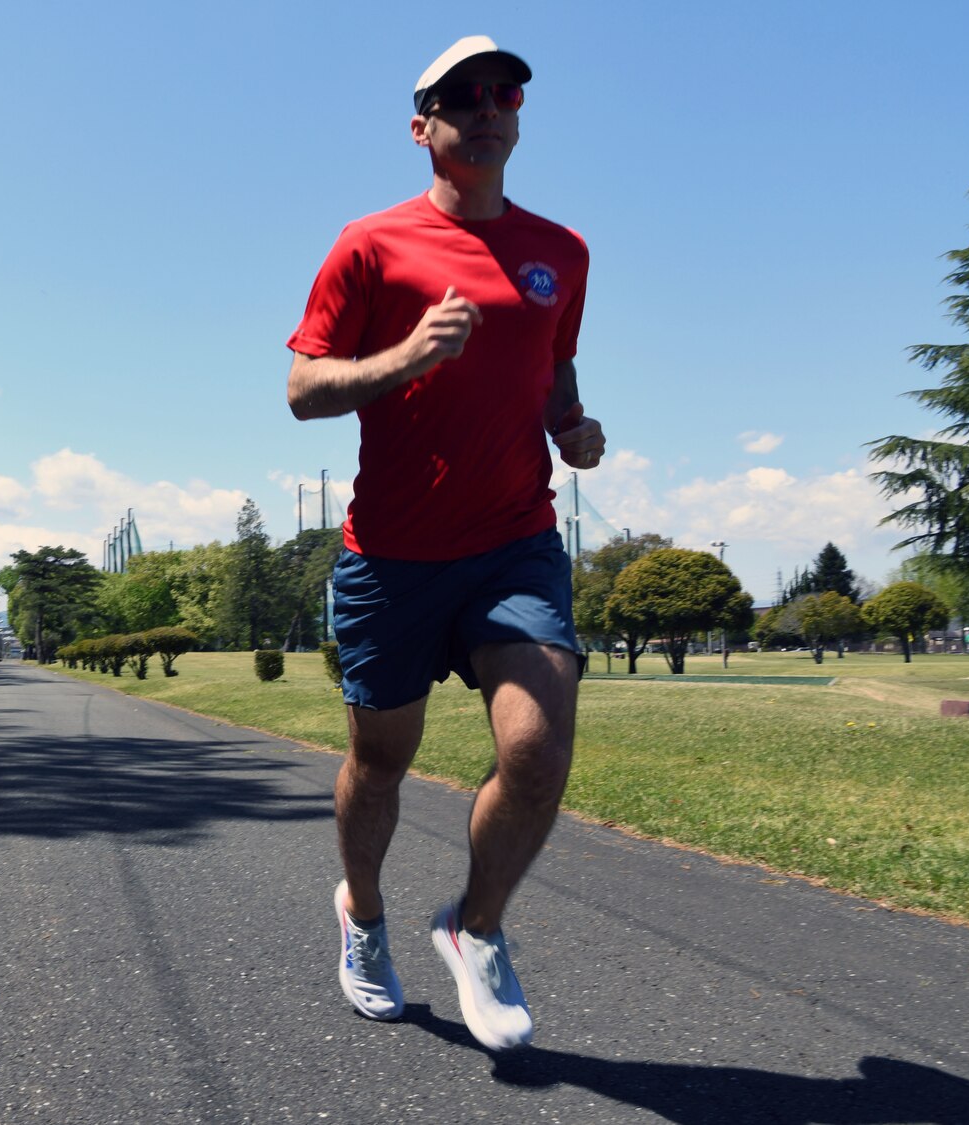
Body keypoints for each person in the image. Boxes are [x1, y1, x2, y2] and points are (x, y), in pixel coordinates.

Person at [283, 35, 606, 1051]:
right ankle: (363, 917)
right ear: (420, 125)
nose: (486, 107)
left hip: (513, 542)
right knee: (379, 762)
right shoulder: (369, 245)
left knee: (535, 746)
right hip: (390, 555)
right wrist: (408, 353)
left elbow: (552, 367)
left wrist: (572, 426)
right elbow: (302, 390)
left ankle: (476, 931)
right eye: (459, 96)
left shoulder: (562, 252)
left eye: (502, 92)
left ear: (517, 115)